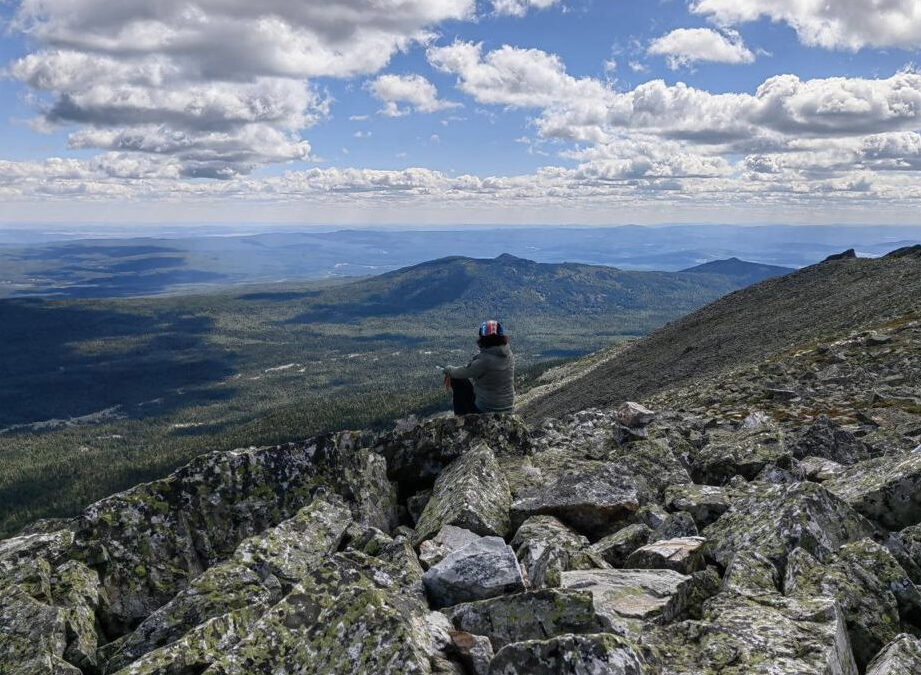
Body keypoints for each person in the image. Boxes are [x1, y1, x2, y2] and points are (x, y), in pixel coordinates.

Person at [442, 320, 515, 415]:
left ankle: (461, 419)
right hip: (508, 409)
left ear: (482, 339)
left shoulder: (483, 361)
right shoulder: (508, 354)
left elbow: (461, 372)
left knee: (457, 379)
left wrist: (447, 370)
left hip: (486, 409)